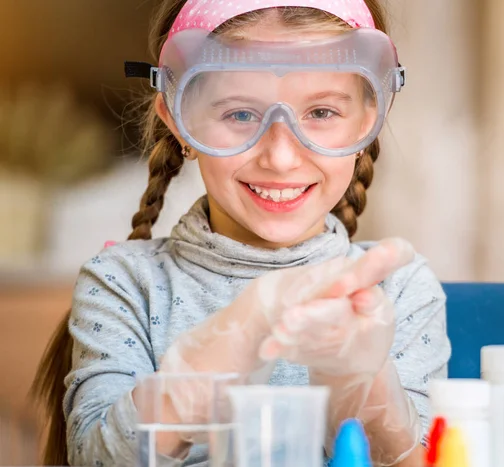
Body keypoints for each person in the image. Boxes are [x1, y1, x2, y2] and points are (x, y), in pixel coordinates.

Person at [32, 0, 451, 466]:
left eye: (322, 112)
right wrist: (215, 355)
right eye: (240, 114)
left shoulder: (399, 287)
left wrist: (365, 391)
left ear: (368, 121)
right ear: (179, 118)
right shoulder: (123, 283)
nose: (281, 157)